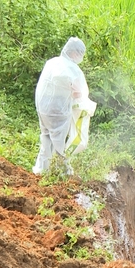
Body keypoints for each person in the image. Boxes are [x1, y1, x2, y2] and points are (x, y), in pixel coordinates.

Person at [33, 37, 95, 176]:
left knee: (46, 136)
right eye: (80, 54)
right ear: (74, 53)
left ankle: (42, 169)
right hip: (58, 111)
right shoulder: (73, 70)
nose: (80, 57)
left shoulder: (52, 62)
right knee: (58, 141)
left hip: (42, 107)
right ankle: (62, 172)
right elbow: (80, 93)